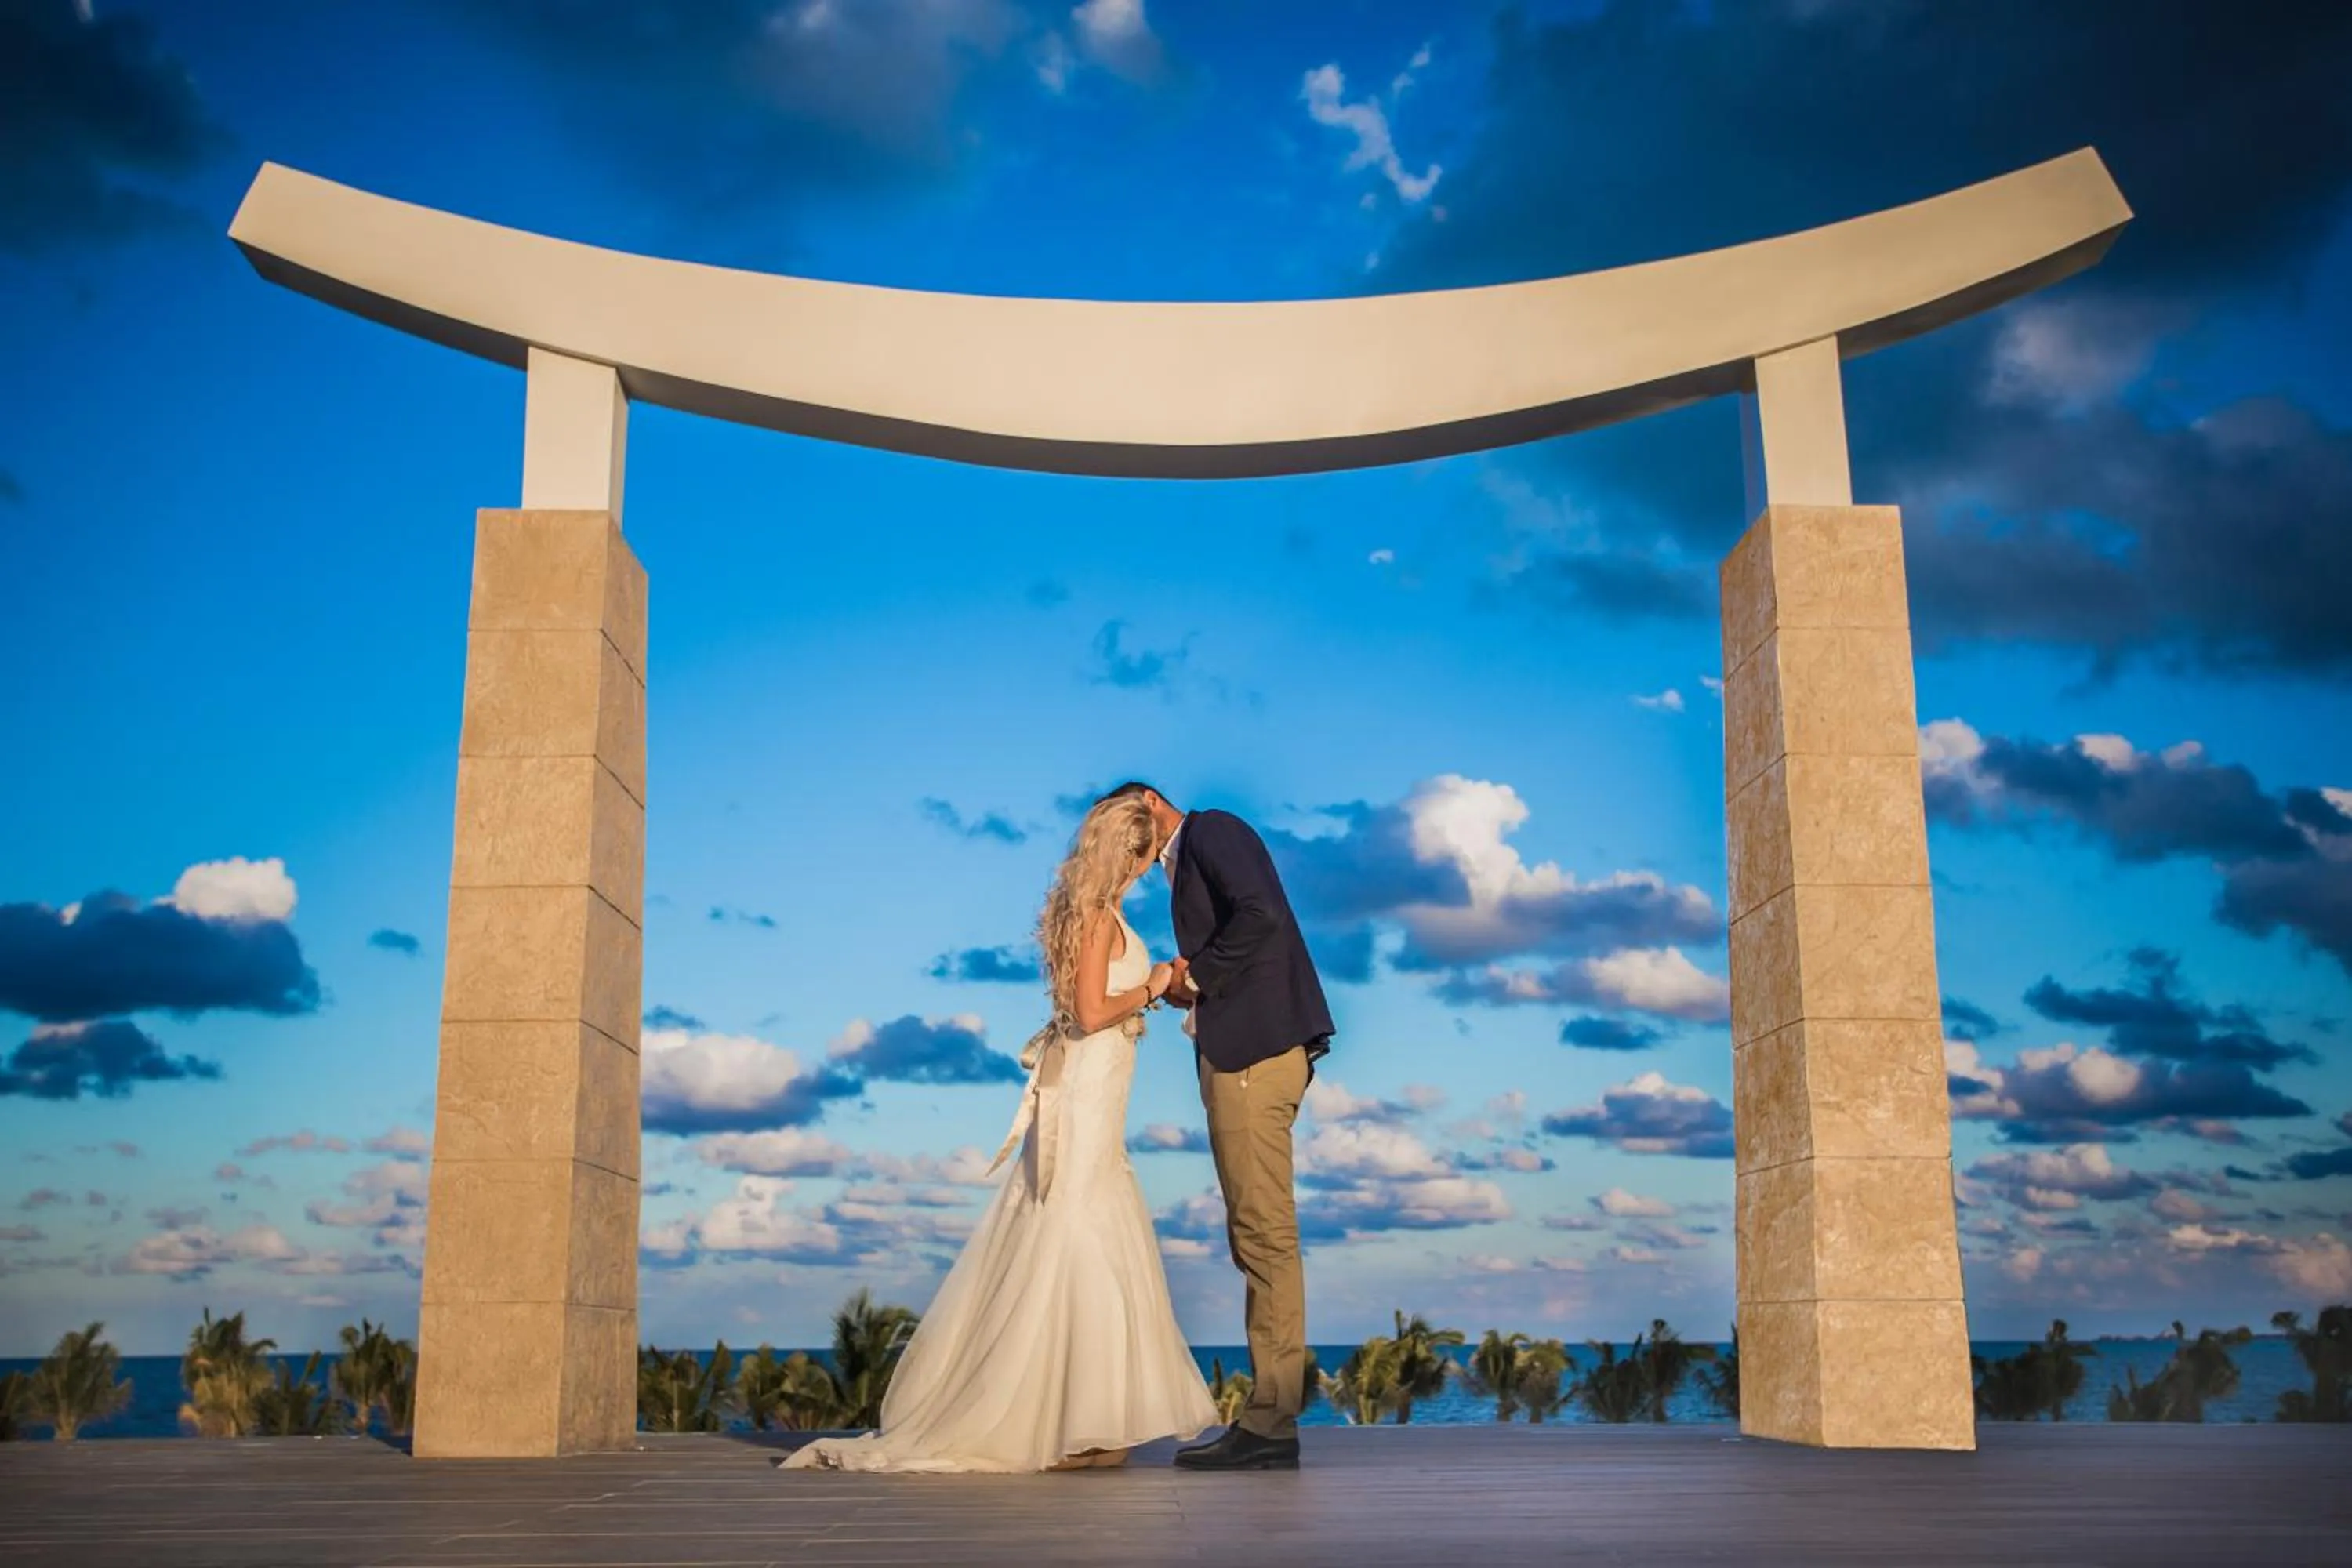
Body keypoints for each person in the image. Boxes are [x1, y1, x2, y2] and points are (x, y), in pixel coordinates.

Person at [782, 790, 1216, 1472]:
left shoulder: (1091, 913)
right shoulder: (1099, 918)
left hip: (1097, 1090)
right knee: (1075, 1234)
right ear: (1126, 854)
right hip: (1086, 1087)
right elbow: (1092, 1009)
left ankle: (1087, 1419)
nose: (1147, 868)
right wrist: (1156, 984)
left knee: (1086, 1233)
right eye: (1142, 855)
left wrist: (1165, 988)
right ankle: (1057, 1420)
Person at [1101, 781, 1334, 1472]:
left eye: (1120, 830)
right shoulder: (1190, 855)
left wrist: (1194, 978)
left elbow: (1260, 914)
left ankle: (1268, 1424)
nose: (1119, 851)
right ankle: (1270, 1419)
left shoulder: (1212, 832)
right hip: (1244, 1055)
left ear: (1148, 802)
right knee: (1255, 1232)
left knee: (1263, 1233)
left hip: (1256, 1059)